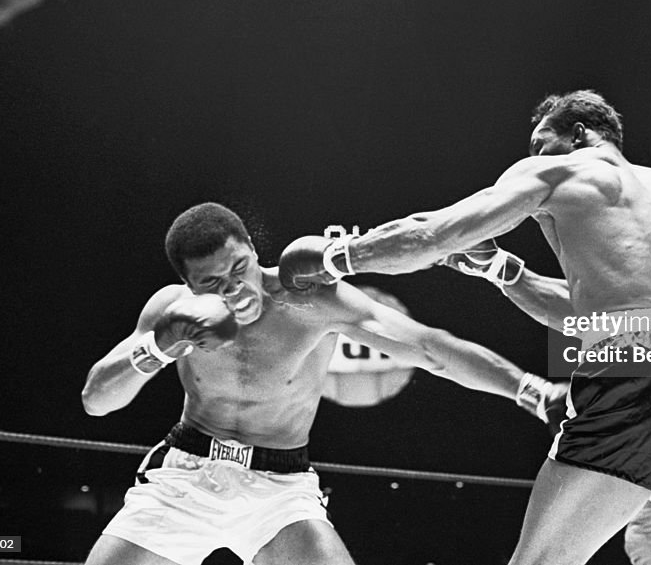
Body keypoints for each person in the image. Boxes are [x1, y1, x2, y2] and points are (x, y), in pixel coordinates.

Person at [279, 90, 651, 565]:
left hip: (632, 367)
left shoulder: (556, 171)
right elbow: (603, 316)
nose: (533, 155)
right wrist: (502, 271)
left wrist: (336, 257)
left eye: (540, 143)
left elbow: (434, 235)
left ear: (578, 133)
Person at [80, 202, 565, 565]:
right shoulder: (169, 310)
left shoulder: (311, 300)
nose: (233, 287)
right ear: (188, 287)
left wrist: (532, 391)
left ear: (252, 250)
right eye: (212, 283)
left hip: (280, 489)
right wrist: (160, 347)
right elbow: (96, 400)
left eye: (239, 267)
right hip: (185, 477)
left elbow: (430, 349)